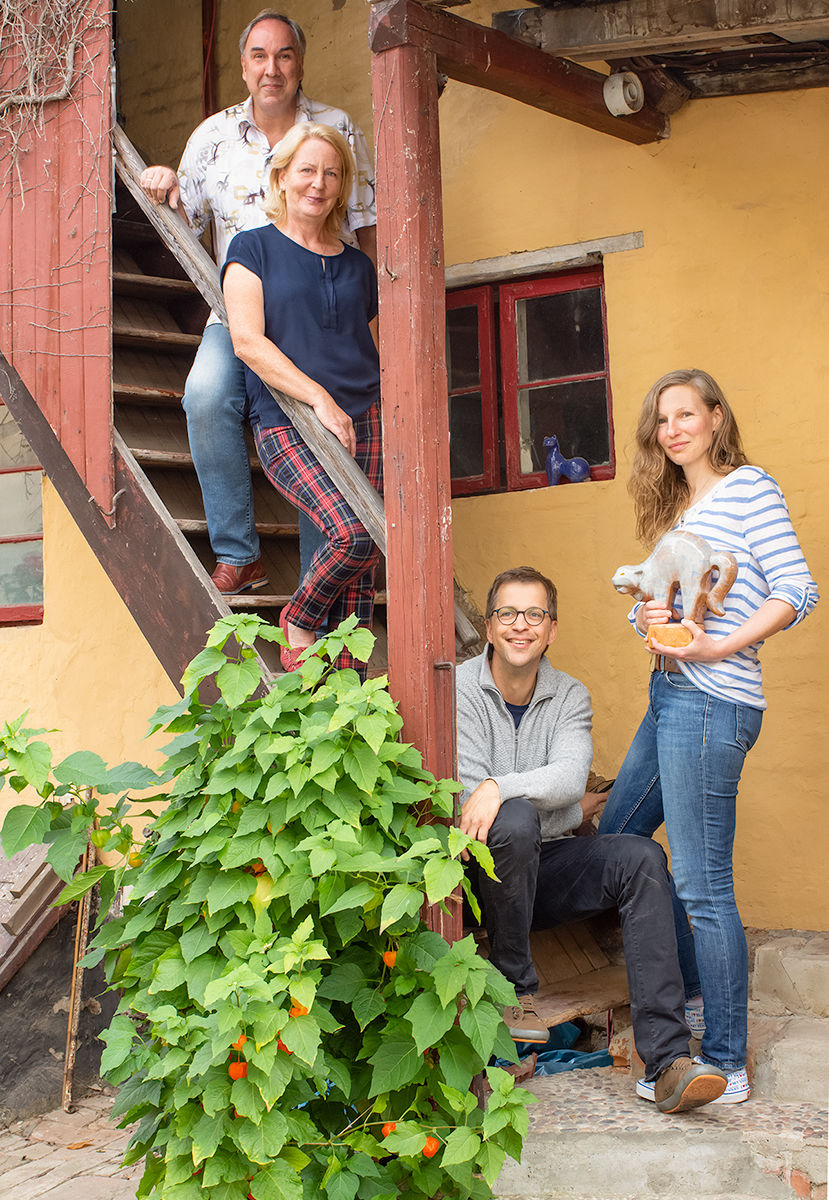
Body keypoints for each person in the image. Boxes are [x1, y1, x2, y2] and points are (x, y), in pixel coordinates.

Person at [598, 368, 818, 1105]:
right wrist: (650, 621)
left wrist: (714, 648)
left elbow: (796, 590)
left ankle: (725, 1060)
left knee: (700, 885)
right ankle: (689, 992)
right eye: (662, 420)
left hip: (712, 699)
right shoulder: (679, 510)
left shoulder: (749, 488)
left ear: (717, 418)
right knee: (618, 840)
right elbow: (668, 602)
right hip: (669, 695)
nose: (673, 430)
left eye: (686, 415)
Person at [456, 565, 729, 1114]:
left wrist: (500, 786)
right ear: (488, 626)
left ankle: (668, 1063)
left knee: (641, 856)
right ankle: (516, 992)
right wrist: (537, 808)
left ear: (551, 630)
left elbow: (568, 778)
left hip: (542, 872)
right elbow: (471, 808)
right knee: (512, 822)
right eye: (508, 613)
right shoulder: (459, 687)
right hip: (473, 879)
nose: (520, 626)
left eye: (534, 614)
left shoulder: (569, 695)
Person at [139, 10, 377, 594]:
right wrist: (165, 179)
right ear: (243, 67)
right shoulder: (211, 139)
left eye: (285, 55)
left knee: (324, 434)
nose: (272, 69)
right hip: (240, 316)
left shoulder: (337, 128)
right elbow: (185, 219)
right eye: (259, 56)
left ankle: (319, 606)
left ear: (300, 63)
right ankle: (238, 552)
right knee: (206, 393)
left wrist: (369, 317)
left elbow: (368, 226)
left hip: (321, 315)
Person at [221, 122, 380, 675]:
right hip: (289, 418)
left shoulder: (360, 265)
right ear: (282, 176)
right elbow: (246, 341)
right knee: (352, 533)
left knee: (365, 570)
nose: (319, 183)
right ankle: (300, 617)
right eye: (307, 170)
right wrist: (318, 398)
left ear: (342, 187)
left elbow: (367, 342)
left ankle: (350, 686)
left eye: (332, 173)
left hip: (368, 415)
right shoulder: (252, 247)